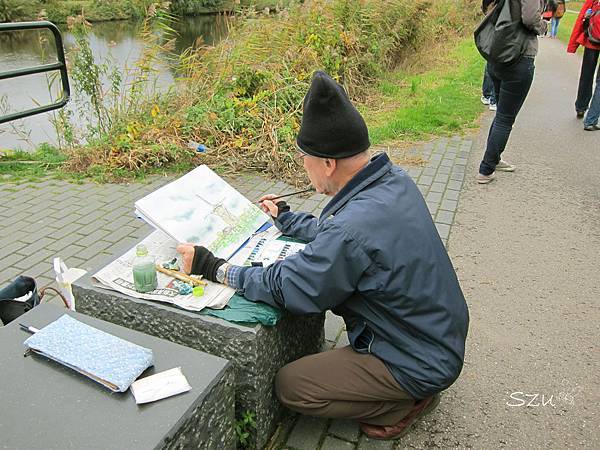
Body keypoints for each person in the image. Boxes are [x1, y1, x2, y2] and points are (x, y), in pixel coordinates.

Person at [177, 71, 469, 440]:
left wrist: (214, 267)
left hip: (418, 359)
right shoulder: (392, 182)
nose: (304, 166)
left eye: (305, 159)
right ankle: (403, 384)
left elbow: (293, 286)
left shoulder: (352, 229)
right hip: (438, 336)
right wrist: (286, 219)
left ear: (328, 163)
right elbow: (345, 236)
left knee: (292, 386)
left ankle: (406, 400)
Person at [476, 0, 547, 184]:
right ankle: (486, 169)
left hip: (498, 53)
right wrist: (544, 25)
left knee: (501, 115)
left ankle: (494, 158)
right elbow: (531, 18)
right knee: (505, 118)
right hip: (518, 57)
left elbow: (487, 8)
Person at [567, 0, 600, 120]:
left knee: (586, 75)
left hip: (590, 41)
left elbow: (581, 18)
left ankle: (581, 107)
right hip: (592, 39)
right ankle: (593, 115)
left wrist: (573, 45)